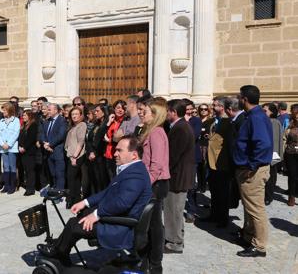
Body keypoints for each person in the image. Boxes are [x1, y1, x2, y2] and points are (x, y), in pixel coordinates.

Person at [37, 135, 152, 266]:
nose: (115, 154)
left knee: (75, 225)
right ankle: (60, 249)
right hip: (119, 217)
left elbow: (122, 203)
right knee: (80, 217)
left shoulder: (136, 175)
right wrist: (85, 202)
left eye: (119, 150)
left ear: (134, 155)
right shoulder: (132, 169)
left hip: (122, 226)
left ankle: (58, 253)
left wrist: (96, 215)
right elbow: (107, 192)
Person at [234, 85, 272, 258]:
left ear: (245, 99)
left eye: (239, 97)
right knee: (249, 207)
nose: (238, 99)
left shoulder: (256, 117)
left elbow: (263, 144)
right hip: (248, 169)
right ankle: (249, 236)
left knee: (256, 209)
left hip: (252, 171)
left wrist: (252, 166)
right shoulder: (254, 115)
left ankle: (259, 246)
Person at [139, 98, 170, 274]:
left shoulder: (157, 133)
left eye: (146, 111)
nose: (141, 113)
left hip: (155, 184)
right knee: (149, 224)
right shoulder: (150, 131)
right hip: (152, 182)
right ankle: (147, 260)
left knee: (154, 226)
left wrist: (145, 184)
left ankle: (155, 263)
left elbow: (156, 166)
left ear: (155, 114)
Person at [163, 99, 195, 254]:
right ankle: (175, 237)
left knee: (173, 210)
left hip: (177, 177)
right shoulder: (179, 126)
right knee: (174, 210)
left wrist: (163, 172)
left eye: (168, 111)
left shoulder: (180, 128)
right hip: (178, 175)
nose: (166, 114)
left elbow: (173, 156)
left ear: (173, 112)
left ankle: (174, 243)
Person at [201, 97, 234, 228]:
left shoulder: (227, 121)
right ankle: (214, 214)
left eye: (215, 105)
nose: (212, 107)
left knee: (223, 192)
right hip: (211, 160)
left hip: (221, 161)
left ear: (222, 107)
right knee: (214, 190)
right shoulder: (215, 121)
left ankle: (222, 218)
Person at [65, 106, 88, 208]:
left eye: (76, 114)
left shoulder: (82, 125)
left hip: (77, 156)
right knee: (76, 179)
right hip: (71, 155)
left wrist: (74, 156)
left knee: (71, 178)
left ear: (81, 115)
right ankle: (76, 199)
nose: (74, 116)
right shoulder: (73, 126)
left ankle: (72, 199)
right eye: (72, 114)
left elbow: (81, 141)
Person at [42, 103, 68, 191]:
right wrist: (45, 144)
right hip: (48, 151)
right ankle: (55, 189)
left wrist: (50, 144)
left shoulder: (62, 120)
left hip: (57, 151)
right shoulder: (47, 121)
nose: (47, 111)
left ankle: (60, 192)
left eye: (49, 109)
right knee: (52, 173)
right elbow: (43, 133)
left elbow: (61, 135)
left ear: (56, 110)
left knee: (59, 173)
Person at [262, 103, 284, 205]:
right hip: (265, 154)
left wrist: (273, 158)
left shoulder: (274, 122)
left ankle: (268, 197)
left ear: (272, 112)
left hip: (271, 155)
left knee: (270, 177)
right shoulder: (266, 121)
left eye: (265, 111)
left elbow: (275, 141)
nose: (263, 112)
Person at [0, 102, 20, 194]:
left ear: (10, 110)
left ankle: (12, 186)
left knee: (12, 167)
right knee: (5, 167)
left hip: (12, 147)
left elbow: (16, 133)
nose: (3, 112)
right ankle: (6, 185)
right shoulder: (1, 121)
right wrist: (2, 143)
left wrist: (9, 144)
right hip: (3, 147)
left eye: (5, 110)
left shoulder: (16, 120)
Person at [86, 104, 110, 195]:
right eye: (94, 111)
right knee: (95, 180)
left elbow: (100, 137)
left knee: (102, 180)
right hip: (93, 155)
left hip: (101, 155)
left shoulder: (107, 124)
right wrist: (91, 151)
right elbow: (90, 139)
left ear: (104, 112)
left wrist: (95, 152)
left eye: (97, 111)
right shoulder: (97, 124)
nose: (95, 113)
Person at [19, 109, 39, 196]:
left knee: (30, 171)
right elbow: (21, 137)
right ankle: (28, 186)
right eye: (23, 115)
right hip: (23, 151)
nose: (23, 117)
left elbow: (31, 139)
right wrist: (19, 146)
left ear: (30, 116)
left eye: (25, 115)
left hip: (29, 152)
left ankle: (30, 189)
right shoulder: (24, 125)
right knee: (26, 171)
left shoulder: (33, 125)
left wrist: (24, 147)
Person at [104, 100, 126, 180]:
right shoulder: (111, 120)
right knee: (110, 178)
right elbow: (102, 133)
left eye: (123, 108)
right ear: (114, 109)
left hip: (118, 154)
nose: (120, 110)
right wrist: (109, 122)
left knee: (117, 178)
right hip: (108, 153)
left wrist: (109, 140)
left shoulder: (125, 121)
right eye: (118, 108)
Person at [284, 104, 298, 206]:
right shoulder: (290, 123)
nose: (296, 115)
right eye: (294, 113)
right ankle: (291, 196)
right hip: (290, 152)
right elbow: (285, 137)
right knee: (292, 175)